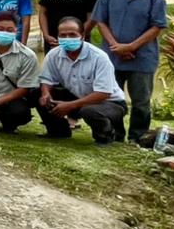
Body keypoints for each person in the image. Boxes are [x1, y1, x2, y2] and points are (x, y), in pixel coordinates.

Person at [91, 0, 168, 143]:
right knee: (111, 99)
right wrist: (115, 46)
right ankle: (115, 134)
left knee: (141, 102)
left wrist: (131, 47)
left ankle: (137, 137)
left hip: (142, 59)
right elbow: (101, 22)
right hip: (111, 58)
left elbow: (157, 26)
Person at [37, 16, 129, 145]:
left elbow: (103, 93)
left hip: (110, 102)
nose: (67, 38)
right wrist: (46, 94)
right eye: (63, 35)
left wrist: (70, 105)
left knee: (89, 111)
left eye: (72, 34)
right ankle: (58, 131)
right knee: (37, 93)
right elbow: (47, 79)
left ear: (82, 36)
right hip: (78, 97)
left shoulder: (99, 57)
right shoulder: (53, 55)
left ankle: (106, 136)